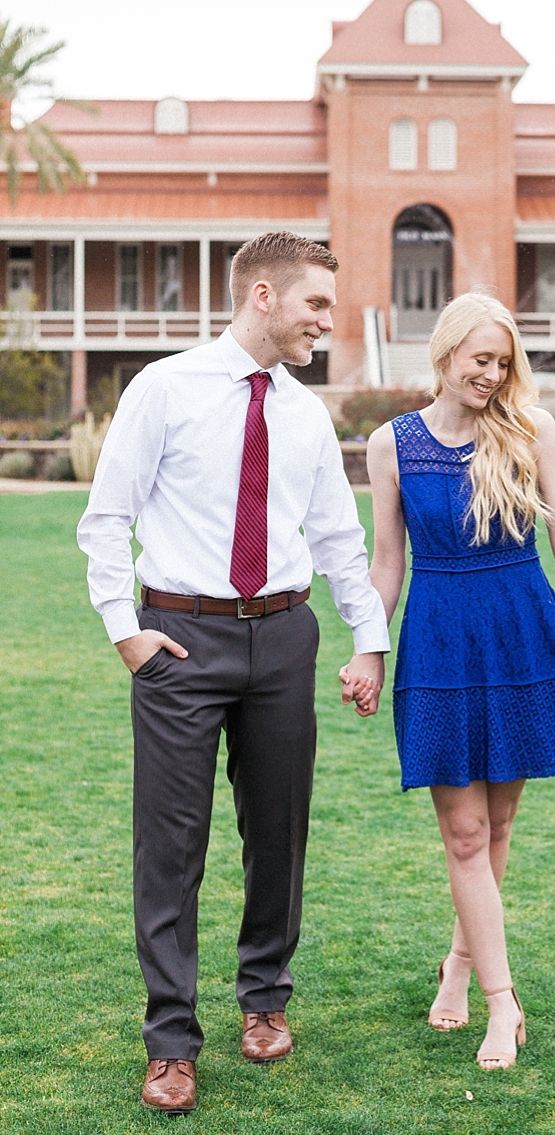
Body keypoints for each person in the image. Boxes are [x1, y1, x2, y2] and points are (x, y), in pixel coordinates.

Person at [77, 231, 388, 1116]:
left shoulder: (304, 414)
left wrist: (367, 641)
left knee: (277, 835)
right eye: (315, 305)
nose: (325, 323)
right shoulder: (164, 389)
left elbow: (336, 540)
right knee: (170, 850)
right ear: (262, 294)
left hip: (284, 638)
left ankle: (265, 1000)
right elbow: (107, 518)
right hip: (179, 638)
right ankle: (171, 1041)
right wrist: (126, 633)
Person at [365, 292, 555, 1072]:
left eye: (502, 361)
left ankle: (459, 961)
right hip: (439, 641)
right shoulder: (390, 444)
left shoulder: (529, 428)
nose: (491, 373)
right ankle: (502, 1001)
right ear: (444, 354)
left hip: (521, 632)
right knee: (465, 831)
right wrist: (367, 649)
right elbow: (387, 562)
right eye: (479, 359)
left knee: (499, 825)